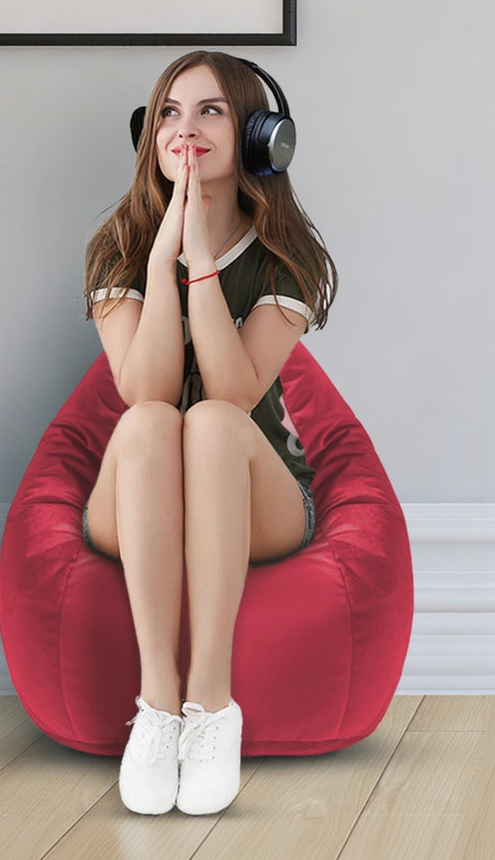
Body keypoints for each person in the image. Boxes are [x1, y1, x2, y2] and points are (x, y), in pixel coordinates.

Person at [82, 51, 337, 816]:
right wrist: (161, 262)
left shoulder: (287, 259)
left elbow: (231, 392)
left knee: (215, 425)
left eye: (209, 112)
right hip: (138, 494)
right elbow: (144, 389)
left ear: (263, 137)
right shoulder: (119, 248)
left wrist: (199, 265)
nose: (182, 130)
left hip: (254, 496)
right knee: (156, 420)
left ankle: (211, 705)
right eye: (167, 112)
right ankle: (158, 708)